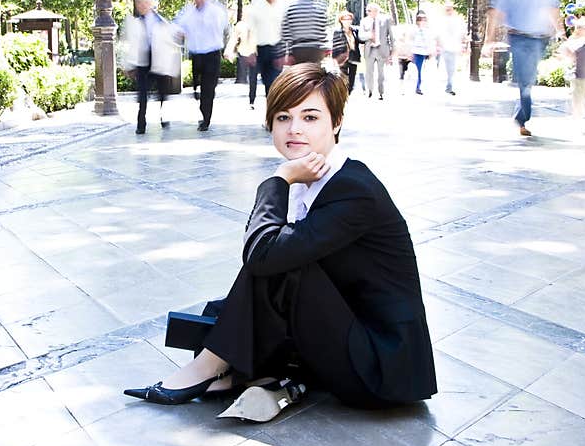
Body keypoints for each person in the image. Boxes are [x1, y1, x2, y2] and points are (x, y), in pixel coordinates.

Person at [124, 62, 437, 421]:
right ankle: (231, 370)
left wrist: (280, 178)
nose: (294, 129)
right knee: (265, 271)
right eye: (284, 117)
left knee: (281, 261)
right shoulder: (322, 180)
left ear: (336, 123)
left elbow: (262, 255)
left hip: (380, 369)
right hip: (351, 337)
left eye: (310, 117)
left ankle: (208, 370)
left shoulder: (354, 189)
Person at [483, 0, 565, 136]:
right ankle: (522, 117)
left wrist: (560, 31)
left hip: (539, 38)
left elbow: (552, 9)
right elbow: (495, 13)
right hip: (518, 37)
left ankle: (521, 114)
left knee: (528, 78)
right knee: (525, 80)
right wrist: (488, 39)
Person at [122, 0, 179, 133]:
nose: (142, 5)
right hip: (143, 62)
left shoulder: (161, 22)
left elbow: (171, 42)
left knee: (162, 93)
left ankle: (163, 116)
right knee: (142, 94)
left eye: (145, 2)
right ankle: (141, 124)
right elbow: (129, 45)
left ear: (151, 4)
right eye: (139, 3)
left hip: (159, 61)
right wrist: (127, 65)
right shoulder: (134, 23)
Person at [174, 0, 229, 132]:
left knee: (208, 88)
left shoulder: (216, 11)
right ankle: (203, 107)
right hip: (197, 55)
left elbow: (222, 26)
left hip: (212, 54)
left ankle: (206, 118)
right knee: (196, 86)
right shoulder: (189, 12)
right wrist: (181, 32)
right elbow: (178, 25)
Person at [245, 0, 289, 96]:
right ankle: (271, 108)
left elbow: (289, 30)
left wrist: (287, 53)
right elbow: (250, 29)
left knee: (273, 83)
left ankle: (273, 109)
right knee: (266, 82)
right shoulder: (257, 5)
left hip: (278, 48)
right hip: (261, 48)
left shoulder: (285, 5)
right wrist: (250, 51)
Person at [279, 0, 328, 66]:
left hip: (298, 49)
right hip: (317, 49)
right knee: (314, 75)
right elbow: (325, 28)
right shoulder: (322, 4)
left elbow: (285, 32)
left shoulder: (290, 5)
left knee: (300, 75)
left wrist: (288, 52)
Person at [559, 16, 585, 131]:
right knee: (578, 106)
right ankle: (578, 126)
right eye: (583, 27)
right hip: (579, 79)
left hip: (582, 78)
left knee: (578, 104)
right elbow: (564, 50)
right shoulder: (577, 42)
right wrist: (570, 56)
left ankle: (578, 125)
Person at [360, 2, 394, 100]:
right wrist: (370, 35)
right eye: (370, 11)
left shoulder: (385, 20)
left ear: (378, 11)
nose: (373, 13)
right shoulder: (364, 21)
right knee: (369, 72)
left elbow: (391, 35)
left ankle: (381, 92)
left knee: (381, 73)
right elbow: (361, 36)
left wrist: (392, 50)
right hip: (369, 50)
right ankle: (370, 90)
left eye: (375, 10)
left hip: (382, 49)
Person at [224, 13, 258, 108]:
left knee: (253, 77)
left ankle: (252, 99)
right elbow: (234, 38)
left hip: (255, 54)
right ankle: (252, 99)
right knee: (251, 77)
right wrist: (228, 51)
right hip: (244, 53)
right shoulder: (240, 25)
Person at [438, 2, 466, 95]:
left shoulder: (457, 20)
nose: (448, 11)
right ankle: (447, 85)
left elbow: (462, 34)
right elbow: (438, 34)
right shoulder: (441, 20)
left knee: (452, 68)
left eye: (450, 9)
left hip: (453, 47)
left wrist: (463, 45)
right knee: (445, 67)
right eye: (447, 9)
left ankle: (449, 85)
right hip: (444, 47)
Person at [331, 10, 361, 93]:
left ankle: (348, 93)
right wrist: (334, 60)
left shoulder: (355, 30)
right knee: (342, 78)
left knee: (351, 81)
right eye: (345, 19)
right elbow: (335, 46)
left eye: (349, 19)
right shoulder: (337, 32)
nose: (347, 21)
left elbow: (361, 40)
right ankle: (342, 95)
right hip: (342, 58)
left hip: (353, 57)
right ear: (341, 20)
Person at [411, 11, 436, 95]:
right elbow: (410, 40)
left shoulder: (427, 31)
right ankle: (417, 86)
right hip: (415, 52)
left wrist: (431, 51)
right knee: (417, 70)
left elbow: (429, 42)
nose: (422, 21)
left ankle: (418, 86)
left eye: (424, 20)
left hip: (423, 52)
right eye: (420, 19)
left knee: (420, 70)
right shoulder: (414, 30)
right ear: (417, 21)